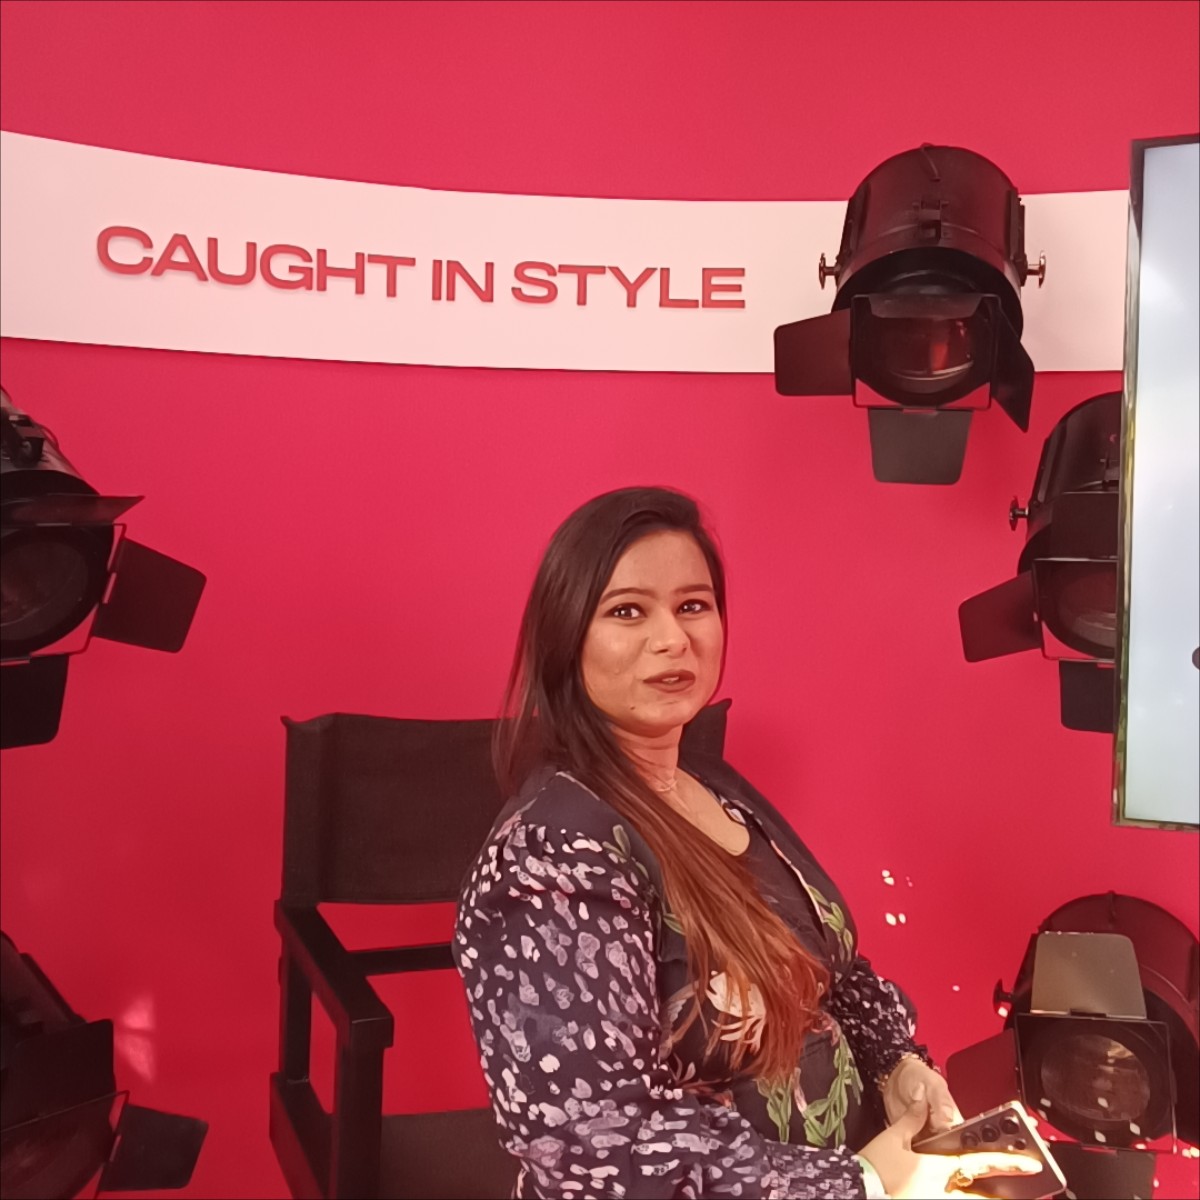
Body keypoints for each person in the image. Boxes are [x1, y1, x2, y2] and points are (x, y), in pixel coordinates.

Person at [453, 487, 1038, 1199]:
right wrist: (860, 1181)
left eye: (693, 606)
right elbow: (593, 1146)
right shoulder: (549, 858)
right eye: (628, 611)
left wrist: (899, 1068)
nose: (673, 639)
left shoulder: (714, 786)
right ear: (565, 636)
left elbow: (832, 972)